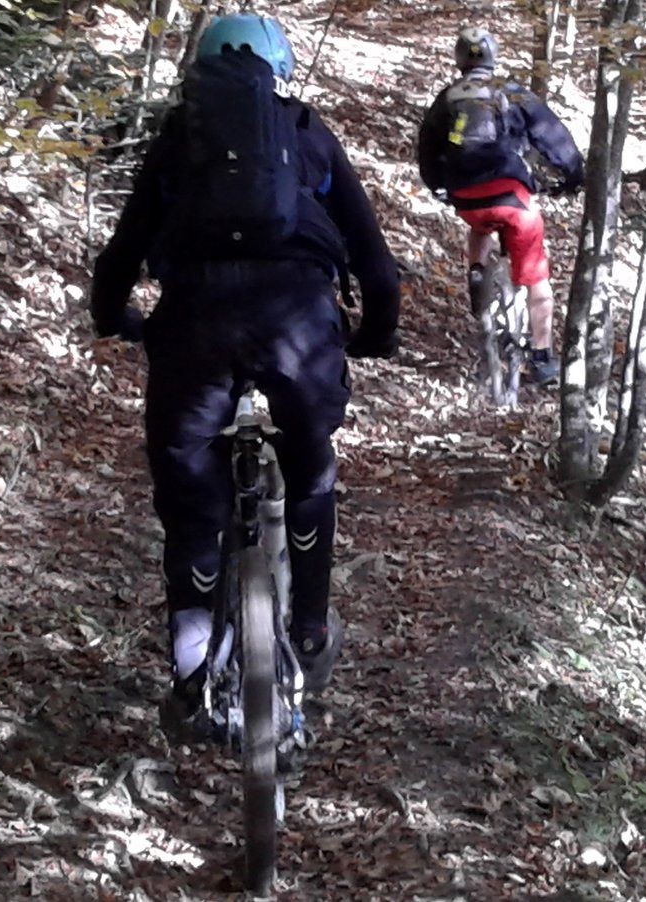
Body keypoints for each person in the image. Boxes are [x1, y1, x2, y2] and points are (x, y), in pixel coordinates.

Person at [88, 14, 400, 733]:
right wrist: (371, 338)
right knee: (312, 466)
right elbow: (377, 269)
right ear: (279, 71)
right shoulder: (308, 135)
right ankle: (311, 628)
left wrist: (114, 318)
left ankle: (193, 667)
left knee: (190, 493)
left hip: (195, 326)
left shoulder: (178, 144)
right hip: (299, 327)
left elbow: (121, 256)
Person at [415, 26, 584, 385]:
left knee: (480, 223)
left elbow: (427, 149)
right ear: (494, 57)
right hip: (511, 197)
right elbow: (552, 136)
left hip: (465, 198)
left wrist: (439, 188)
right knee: (537, 279)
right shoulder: (512, 93)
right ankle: (542, 358)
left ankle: (477, 270)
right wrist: (572, 175)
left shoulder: (447, 98)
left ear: (459, 60)